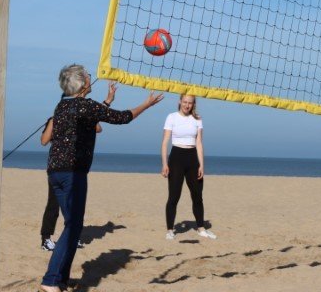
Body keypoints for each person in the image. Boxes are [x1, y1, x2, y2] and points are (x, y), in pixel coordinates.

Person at [40, 65, 163, 292]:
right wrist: (146, 104)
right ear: (82, 83)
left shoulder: (62, 106)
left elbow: (90, 118)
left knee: (73, 227)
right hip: (72, 173)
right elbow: (122, 118)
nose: (91, 78)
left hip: (55, 171)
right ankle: (50, 282)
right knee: (72, 227)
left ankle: (60, 281)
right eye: (87, 76)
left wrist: (106, 102)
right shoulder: (84, 106)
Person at [39, 118, 100, 251]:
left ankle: (72, 237)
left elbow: (98, 129)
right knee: (53, 204)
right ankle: (46, 239)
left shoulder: (80, 119)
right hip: (57, 169)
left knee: (74, 205)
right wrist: (53, 123)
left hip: (76, 169)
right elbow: (44, 141)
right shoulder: (54, 119)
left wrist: (92, 114)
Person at [161, 94, 216, 240]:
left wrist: (201, 165)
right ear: (180, 102)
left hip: (192, 158)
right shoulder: (171, 117)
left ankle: (201, 228)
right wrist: (165, 164)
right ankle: (170, 230)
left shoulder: (197, 119)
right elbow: (165, 142)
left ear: (193, 104)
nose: (187, 105)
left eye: (190, 103)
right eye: (185, 102)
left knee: (197, 196)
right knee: (174, 196)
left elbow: (199, 144)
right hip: (176, 157)